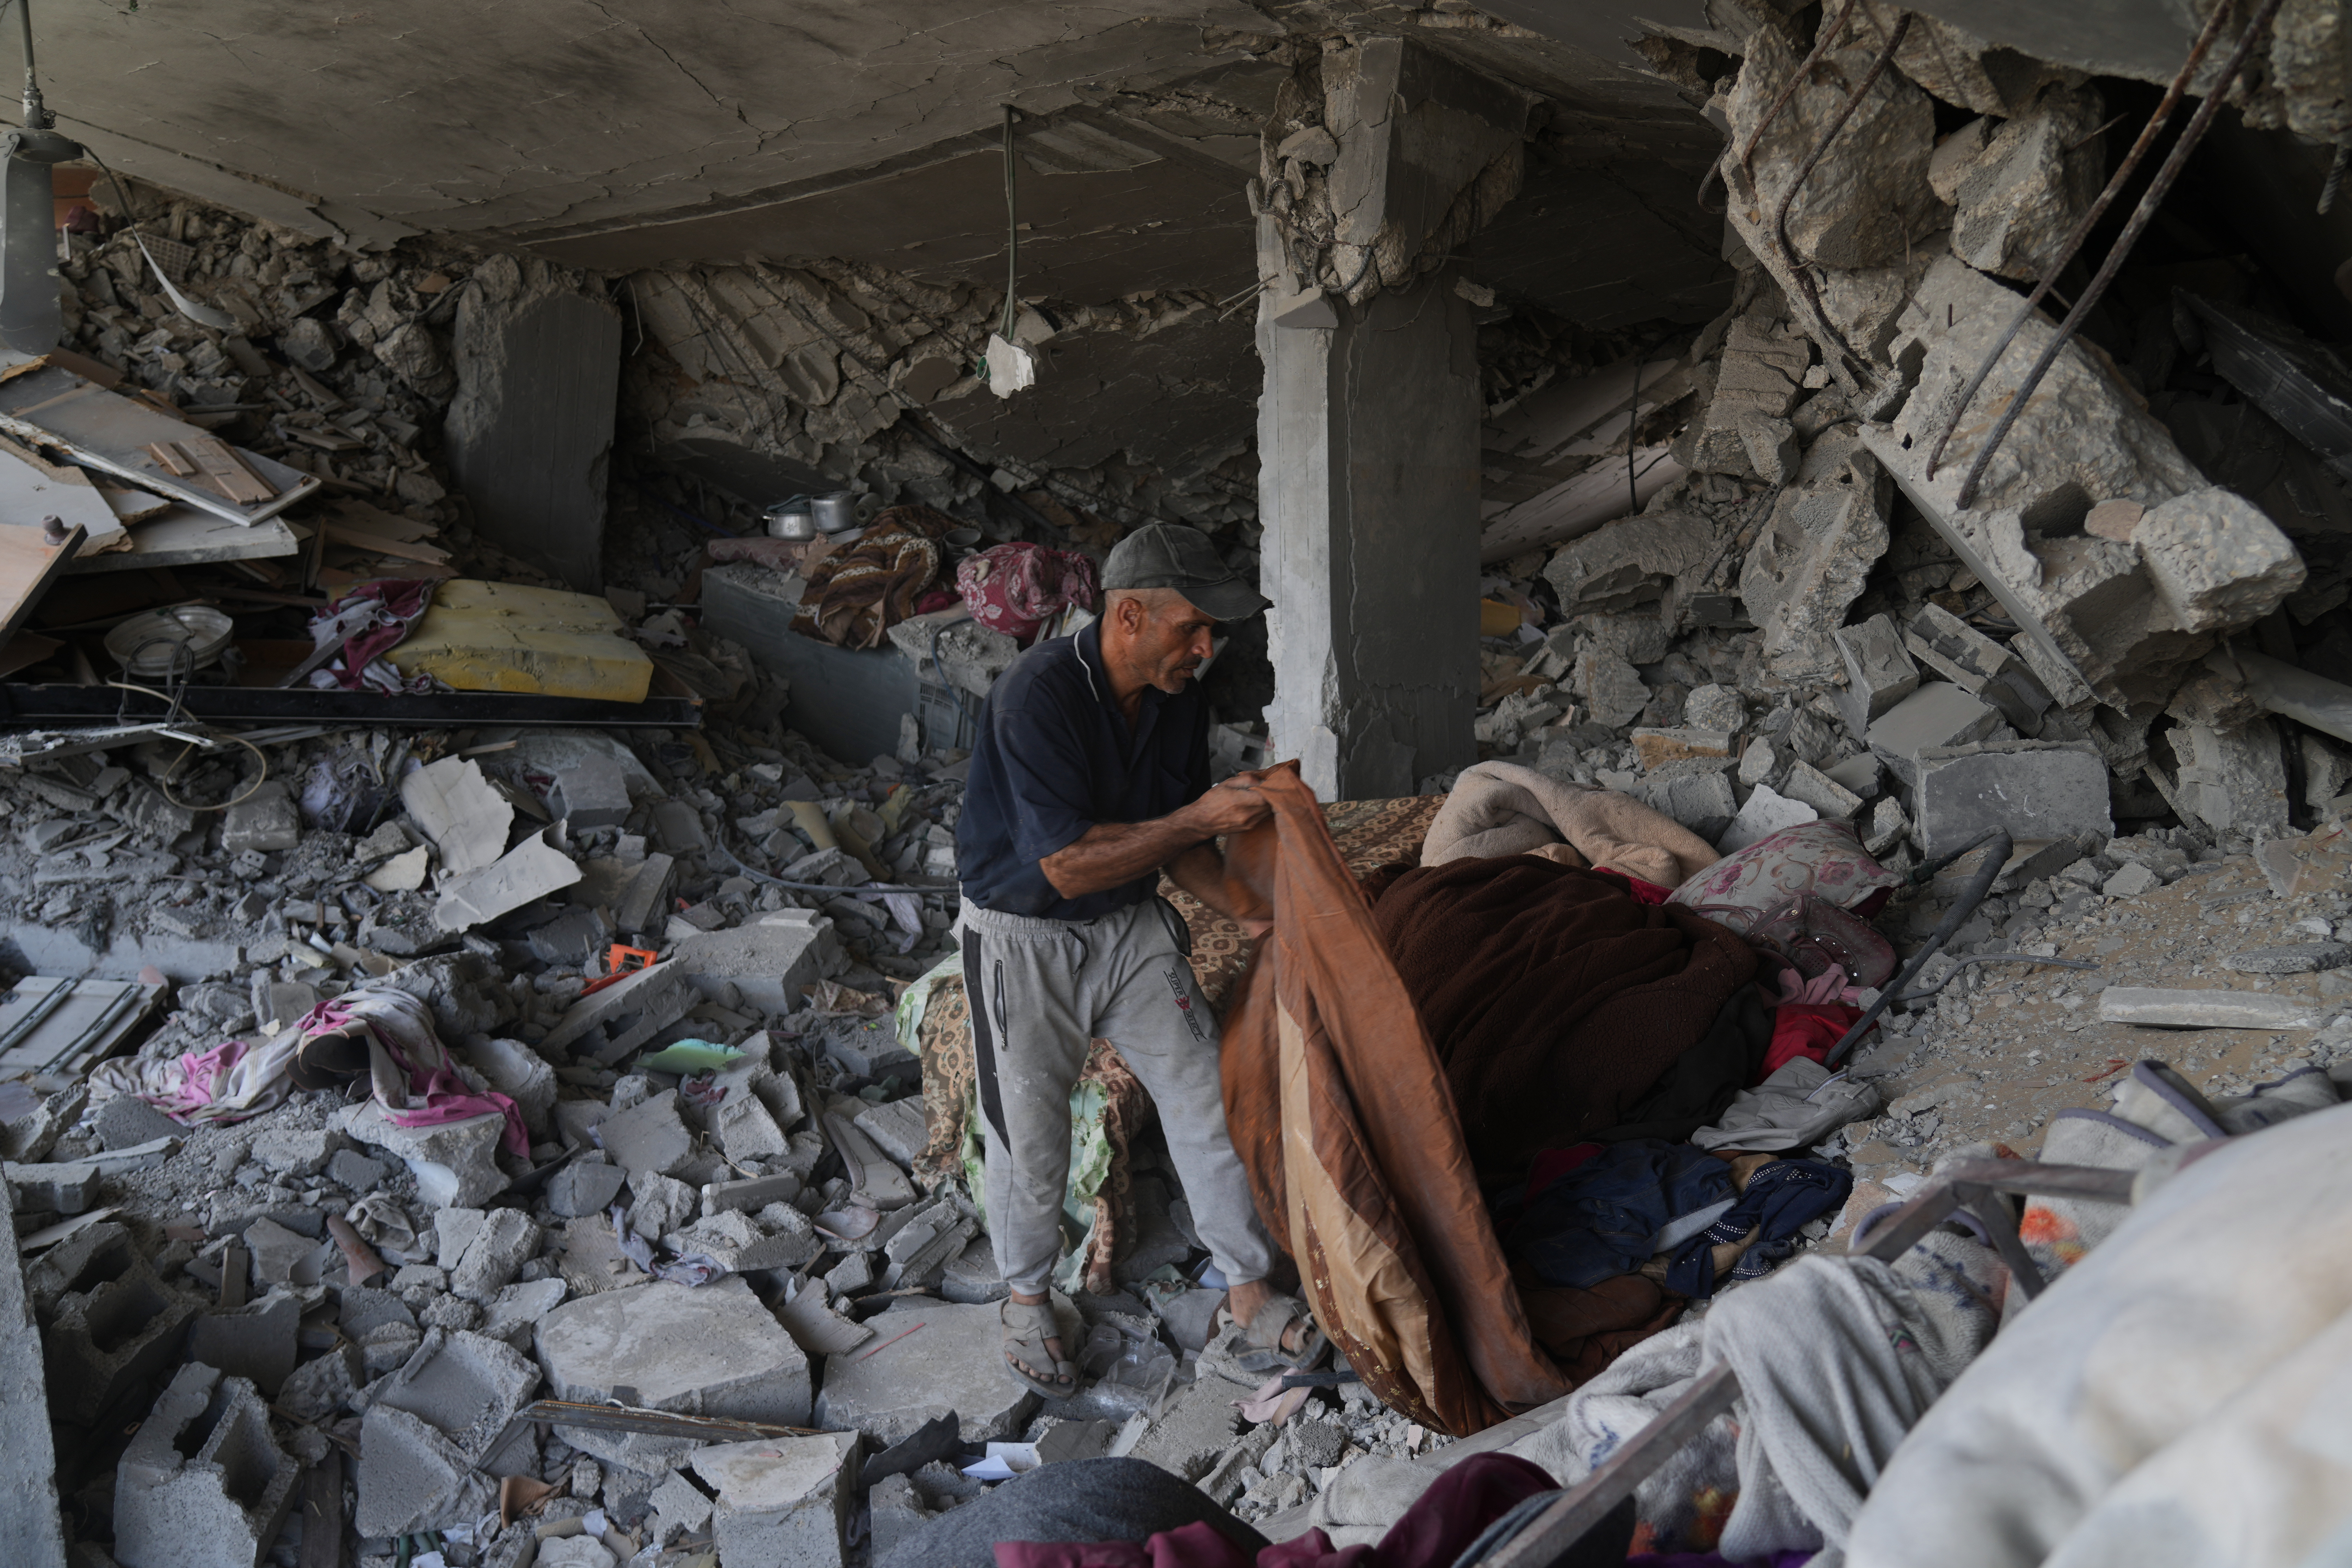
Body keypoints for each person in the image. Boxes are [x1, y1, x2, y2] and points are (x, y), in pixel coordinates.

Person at [954, 521, 1325, 1397]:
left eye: (1211, 633)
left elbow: (1171, 841)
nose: (1205, 648)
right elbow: (1068, 862)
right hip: (1024, 934)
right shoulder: (1034, 698)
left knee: (1207, 1091)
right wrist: (1203, 821)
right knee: (1032, 1135)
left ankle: (1246, 1292)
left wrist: (1259, 917)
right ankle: (1026, 1300)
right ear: (1127, 617)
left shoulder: (1175, 692)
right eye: (1190, 628)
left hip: (1126, 926)